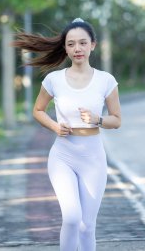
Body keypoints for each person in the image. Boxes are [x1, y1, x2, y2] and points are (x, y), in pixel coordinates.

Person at [13, 18, 121, 251]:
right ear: (65, 47)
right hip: (63, 156)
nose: (77, 49)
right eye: (71, 44)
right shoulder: (54, 79)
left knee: (87, 226)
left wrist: (98, 119)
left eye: (83, 43)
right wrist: (53, 126)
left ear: (93, 45)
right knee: (71, 218)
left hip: (93, 158)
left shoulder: (106, 81)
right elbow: (38, 110)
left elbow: (117, 120)